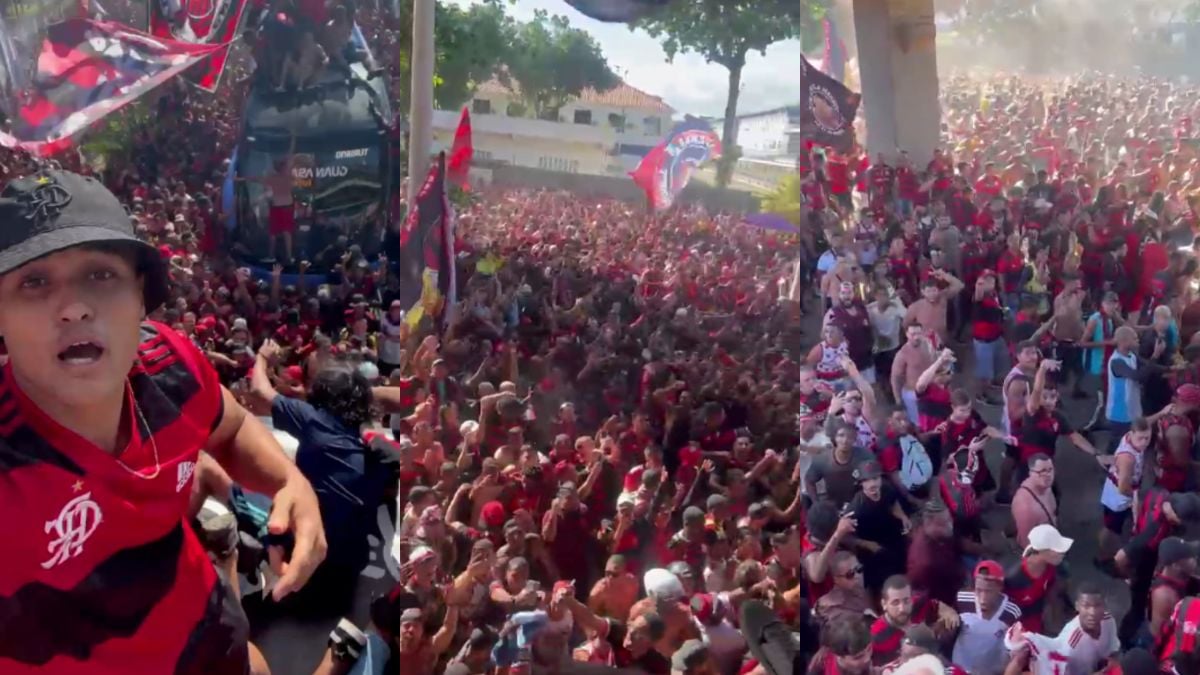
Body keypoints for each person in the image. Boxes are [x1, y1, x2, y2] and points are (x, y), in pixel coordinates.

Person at [0, 170, 325, 673]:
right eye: (33, 281)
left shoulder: (169, 363)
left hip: (205, 631)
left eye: (100, 274)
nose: (74, 307)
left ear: (141, 298)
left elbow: (232, 428)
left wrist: (291, 481)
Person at [1004, 583, 1120, 675]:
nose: (1092, 612)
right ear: (1077, 606)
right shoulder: (1071, 645)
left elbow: (1114, 650)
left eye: (1097, 605)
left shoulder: (1108, 620)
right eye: (1086, 606)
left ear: (1104, 605)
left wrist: (1112, 661)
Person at [951, 561, 1022, 675]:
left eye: (989, 591)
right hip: (959, 669)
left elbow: (1012, 650)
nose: (983, 598)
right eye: (979, 590)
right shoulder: (962, 600)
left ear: (1000, 587)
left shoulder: (1012, 611)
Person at [1006, 524, 1072, 634]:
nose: (1062, 553)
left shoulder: (1050, 566)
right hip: (1020, 628)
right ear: (1041, 551)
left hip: (1037, 618)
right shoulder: (1014, 578)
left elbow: (1051, 590)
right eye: (1057, 549)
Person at [1011, 453, 1058, 549]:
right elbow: (1027, 543)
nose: (1048, 475)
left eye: (1050, 470)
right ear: (1030, 473)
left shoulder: (1046, 487)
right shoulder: (1025, 505)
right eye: (1042, 471)